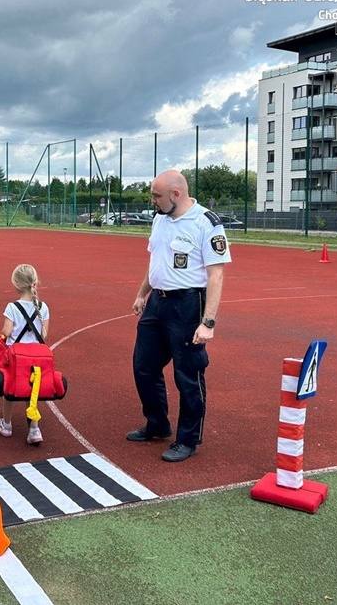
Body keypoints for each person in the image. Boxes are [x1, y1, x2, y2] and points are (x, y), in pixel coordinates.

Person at [129, 170, 231, 462]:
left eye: (156, 196)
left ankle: (187, 439)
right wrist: (141, 294)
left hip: (188, 305)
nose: (152, 201)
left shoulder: (205, 222)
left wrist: (208, 322)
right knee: (143, 367)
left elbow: (216, 275)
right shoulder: (159, 219)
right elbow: (156, 261)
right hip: (156, 303)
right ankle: (157, 424)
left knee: (188, 374)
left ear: (176, 194)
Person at [0, 264, 50, 444]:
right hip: (36, 357)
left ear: (16, 284)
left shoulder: (12, 307)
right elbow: (44, 334)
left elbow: (7, 332)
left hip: (15, 356)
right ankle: (34, 429)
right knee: (32, 389)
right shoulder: (43, 306)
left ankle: (6, 424)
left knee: (9, 388)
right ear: (35, 282)